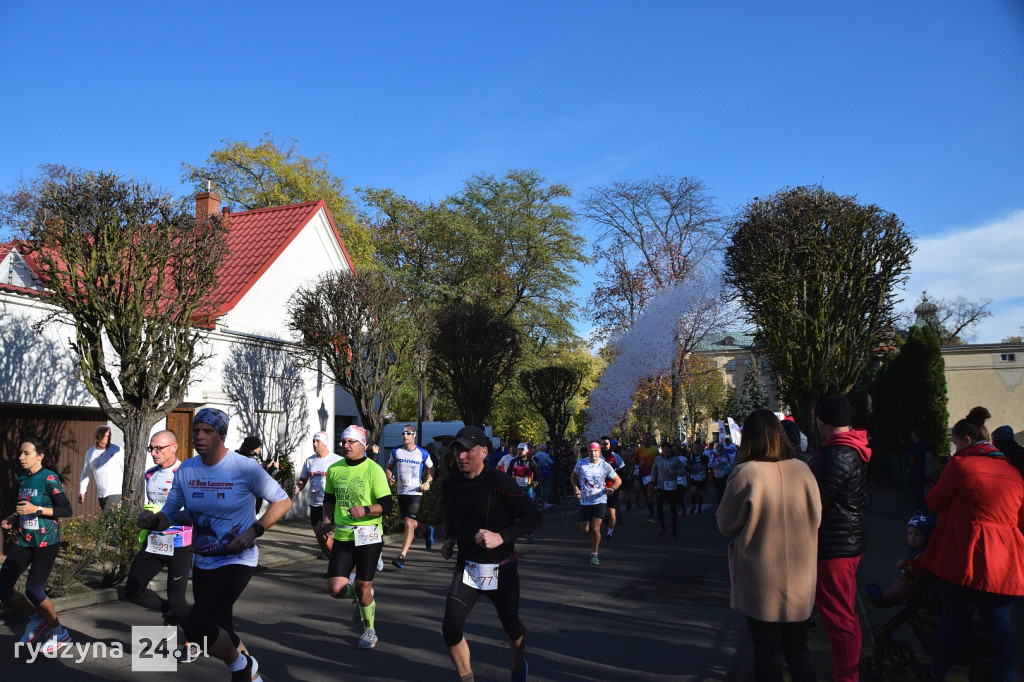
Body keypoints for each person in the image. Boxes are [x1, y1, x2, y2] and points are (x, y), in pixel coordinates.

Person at [138, 408, 291, 682]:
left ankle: (241, 668)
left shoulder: (244, 467)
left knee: (197, 627)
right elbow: (170, 513)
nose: (199, 436)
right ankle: (252, 674)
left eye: (207, 431)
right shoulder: (187, 469)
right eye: (196, 430)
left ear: (221, 435)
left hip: (237, 559)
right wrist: (153, 521)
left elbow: (283, 501)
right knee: (224, 630)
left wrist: (255, 531)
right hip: (204, 560)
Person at [911, 407, 1024, 682]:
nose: (954, 449)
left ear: (967, 441)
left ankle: (937, 673)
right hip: (1006, 561)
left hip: (968, 556)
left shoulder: (961, 465)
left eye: (955, 443)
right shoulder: (1013, 473)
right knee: (999, 626)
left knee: (954, 622)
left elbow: (933, 501)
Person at [717, 410, 821, 682]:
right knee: (799, 649)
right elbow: (817, 517)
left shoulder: (747, 473)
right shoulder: (803, 469)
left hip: (760, 577)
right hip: (800, 574)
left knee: (766, 652)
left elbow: (725, 524)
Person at [440, 425, 542, 681]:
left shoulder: (499, 482)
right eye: (457, 451)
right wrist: (450, 538)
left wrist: (501, 536)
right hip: (468, 569)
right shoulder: (451, 484)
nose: (461, 456)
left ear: (484, 452)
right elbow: (452, 513)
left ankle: (519, 665)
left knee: (512, 625)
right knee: (451, 628)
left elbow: (534, 517)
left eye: (467, 451)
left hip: (501, 567)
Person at [810, 394, 871, 682]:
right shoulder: (850, 449)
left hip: (835, 546)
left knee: (838, 618)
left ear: (821, 422)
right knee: (844, 615)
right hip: (844, 541)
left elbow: (813, 503)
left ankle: (846, 677)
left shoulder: (836, 455)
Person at [319, 425, 393, 649]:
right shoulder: (334, 469)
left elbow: (387, 505)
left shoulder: (374, 470)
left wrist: (366, 510)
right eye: (343, 442)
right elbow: (329, 499)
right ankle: (364, 595)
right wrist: (327, 520)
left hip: (369, 536)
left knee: (361, 584)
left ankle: (369, 630)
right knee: (335, 589)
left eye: (351, 442)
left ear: (363, 445)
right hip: (343, 536)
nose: (346, 446)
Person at [1, 437, 75, 654]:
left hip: (46, 541)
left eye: (26, 453)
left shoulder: (49, 477)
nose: (20, 457)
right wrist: (15, 516)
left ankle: (60, 632)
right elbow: (26, 505)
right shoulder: (23, 477)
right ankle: (35, 619)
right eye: (20, 453)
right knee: (2, 587)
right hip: (25, 539)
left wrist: (37, 510)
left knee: (34, 589)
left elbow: (66, 510)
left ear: (40, 456)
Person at [126, 430, 193, 629]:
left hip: (179, 543)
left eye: (159, 448)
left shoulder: (186, 474)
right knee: (133, 591)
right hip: (155, 542)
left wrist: (162, 520)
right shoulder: (150, 474)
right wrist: (146, 518)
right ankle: (168, 611)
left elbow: (193, 514)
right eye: (151, 448)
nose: (154, 453)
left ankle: (195, 641)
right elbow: (153, 505)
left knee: (177, 600)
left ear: (174, 448)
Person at [384, 424, 435, 570]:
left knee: (408, 521)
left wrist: (428, 482)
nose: (404, 435)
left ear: (414, 436)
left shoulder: (422, 453)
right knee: (409, 522)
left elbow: (431, 467)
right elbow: (389, 467)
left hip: (415, 491)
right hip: (401, 491)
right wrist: (389, 477)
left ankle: (402, 557)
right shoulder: (396, 451)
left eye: (408, 433)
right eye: (403, 433)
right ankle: (426, 532)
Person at [864, 515, 936, 606]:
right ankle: (887, 592)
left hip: (915, 584)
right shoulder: (917, 550)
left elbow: (919, 571)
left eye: (917, 534)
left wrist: (904, 564)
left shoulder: (923, 554)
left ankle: (883, 596)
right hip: (912, 580)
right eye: (910, 534)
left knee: (902, 587)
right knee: (900, 582)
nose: (912, 537)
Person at [294, 431, 342, 560]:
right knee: (320, 539)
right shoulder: (310, 461)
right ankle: (332, 564)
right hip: (314, 503)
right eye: (313, 441)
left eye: (317, 441)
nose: (314, 444)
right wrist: (299, 486)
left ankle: (338, 564)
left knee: (323, 535)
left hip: (329, 503)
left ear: (324, 443)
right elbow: (303, 479)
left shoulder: (337, 460)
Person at [572, 441, 621, 565]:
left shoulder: (604, 465)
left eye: (595, 451)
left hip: (600, 500)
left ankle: (595, 554)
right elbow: (573, 477)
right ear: (588, 452)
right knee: (585, 530)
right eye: (591, 451)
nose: (593, 453)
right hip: (584, 501)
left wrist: (612, 489)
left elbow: (618, 480)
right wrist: (576, 488)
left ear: (599, 452)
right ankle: (595, 535)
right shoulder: (581, 463)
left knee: (595, 528)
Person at [78, 425, 123, 510]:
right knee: (110, 521)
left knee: (106, 520)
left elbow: (125, 469)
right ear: (97, 437)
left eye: (110, 435)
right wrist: (82, 491)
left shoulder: (117, 450)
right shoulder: (90, 453)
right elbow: (85, 473)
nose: (109, 438)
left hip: (116, 492)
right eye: (106, 436)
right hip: (101, 494)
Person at [652, 442, 684, 539]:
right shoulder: (658, 459)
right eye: (664, 449)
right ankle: (662, 527)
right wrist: (653, 476)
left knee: (673, 509)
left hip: (672, 488)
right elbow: (654, 468)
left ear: (670, 450)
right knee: (659, 508)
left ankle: (674, 529)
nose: (665, 450)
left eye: (667, 449)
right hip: (661, 487)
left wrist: (676, 472)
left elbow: (683, 471)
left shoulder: (676, 460)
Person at [600, 435, 626, 541]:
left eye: (606, 444)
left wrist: (623, 489)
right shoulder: (597, 457)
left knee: (611, 512)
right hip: (599, 488)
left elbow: (622, 472)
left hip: (612, 487)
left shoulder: (616, 457)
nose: (605, 446)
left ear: (610, 445)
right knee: (603, 512)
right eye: (603, 444)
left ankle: (610, 533)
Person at [634, 436, 658, 523]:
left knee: (649, 494)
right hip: (642, 476)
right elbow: (635, 463)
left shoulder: (655, 450)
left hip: (651, 475)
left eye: (648, 439)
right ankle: (651, 510)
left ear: (650, 440)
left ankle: (651, 514)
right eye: (644, 439)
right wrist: (636, 477)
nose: (646, 441)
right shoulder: (638, 450)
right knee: (646, 496)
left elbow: (658, 461)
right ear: (642, 440)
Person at [906, 429, 932, 512]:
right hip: (920, 468)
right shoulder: (921, 444)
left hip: (919, 469)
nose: (911, 437)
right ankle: (922, 505)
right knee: (921, 489)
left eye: (912, 435)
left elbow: (918, 457)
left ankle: (922, 506)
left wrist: (914, 464)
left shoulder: (919, 445)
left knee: (920, 489)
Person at [687, 447, 709, 515]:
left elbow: (707, 465)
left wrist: (705, 467)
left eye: (698, 448)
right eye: (695, 448)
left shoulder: (704, 456)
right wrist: (690, 470)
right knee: (693, 491)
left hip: (701, 476)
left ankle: (699, 507)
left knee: (699, 494)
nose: (696, 449)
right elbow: (687, 465)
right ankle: (693, 505)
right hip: (693, 476)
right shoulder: (690, 456)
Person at [533, 443, 554, 509]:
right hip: (546, 472)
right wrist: (552, 456)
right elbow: (551, 462)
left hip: (538, 472)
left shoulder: (536, 455)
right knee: (546, 487)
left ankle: (536, 501)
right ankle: (545, 502)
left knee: (538, 486)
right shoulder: (546, 456)